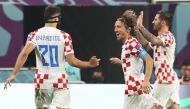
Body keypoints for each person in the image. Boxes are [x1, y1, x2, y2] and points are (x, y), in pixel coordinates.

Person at [4, 5, 100, 109]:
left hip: (42, 81)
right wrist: (89, 64)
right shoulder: (65, 36)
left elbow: (24, 54)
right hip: (60, 80)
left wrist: (14, 74)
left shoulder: (35, 34)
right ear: (56, 18)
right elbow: (72, 62)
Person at [110, 16, 160, 109]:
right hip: (135, 87)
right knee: (155, 106)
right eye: (115, 27)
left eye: (119, 27)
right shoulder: (128, 44)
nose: (115, 29)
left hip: (135, 88)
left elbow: (149, 60)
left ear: (128, 30)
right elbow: (134, 65)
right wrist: (121, 62)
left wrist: (146, 80)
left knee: (155, 106)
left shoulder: (131, 43)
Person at [135, 10, 180, 109]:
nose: (153, 22)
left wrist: (141, 27)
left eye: (155, 19)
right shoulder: (160, 38)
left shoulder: (169, 36)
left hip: (165, 81)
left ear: (163, 22)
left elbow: (154, 40)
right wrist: (137, 30)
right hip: (170, 81)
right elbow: (147, 46)